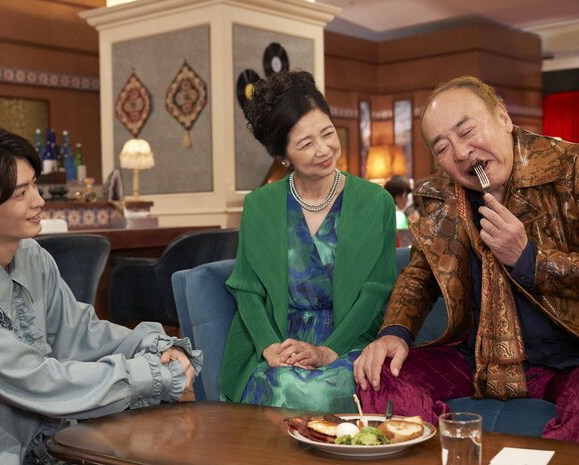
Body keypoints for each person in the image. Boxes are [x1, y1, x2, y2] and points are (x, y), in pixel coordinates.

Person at [0, 127, 202, 464]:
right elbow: (36, 382)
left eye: (34, 184)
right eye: (20, 193)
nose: (39, 201)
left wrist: (154, 346)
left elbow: (82, 334)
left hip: (46, 450)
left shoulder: (31, 256)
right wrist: (151, 376)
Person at [353, 75, 579, 441]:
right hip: (476, 361)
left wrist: (528, 258)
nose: (460, 153)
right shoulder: (441, 196)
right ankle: (444, 453)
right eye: (442, 147)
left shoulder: (571, 169)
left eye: (467, 131)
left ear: (503, 117)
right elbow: (419, 276)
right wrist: (394, 332)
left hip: (569, 360)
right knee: (377, 377)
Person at [219, 70, 396, 412]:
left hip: (350, 341)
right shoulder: (260, 205)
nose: (324, 149)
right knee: (284, 385)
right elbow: (246, 289)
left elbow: (377, 291)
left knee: (316, 394)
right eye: (305, 144)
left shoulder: (376, 202)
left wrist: (328, 351)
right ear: (283, 156)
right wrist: (270, 347)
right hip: (280, 343)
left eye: (327, 133)